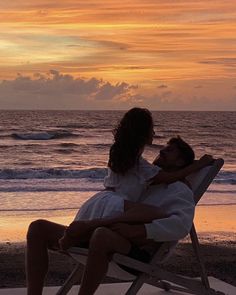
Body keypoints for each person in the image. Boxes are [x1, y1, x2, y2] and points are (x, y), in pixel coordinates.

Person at [26, 108, 213, 295]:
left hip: (132, 251)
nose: (161, 150)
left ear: (180, 163)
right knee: (37, 228)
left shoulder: (179, 189)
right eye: (163, 147)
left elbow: (180, 224)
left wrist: (139, 231)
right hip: (105, 236)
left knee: (102, 233)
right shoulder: (146, 178)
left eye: (169, 150)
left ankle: (87, 231)